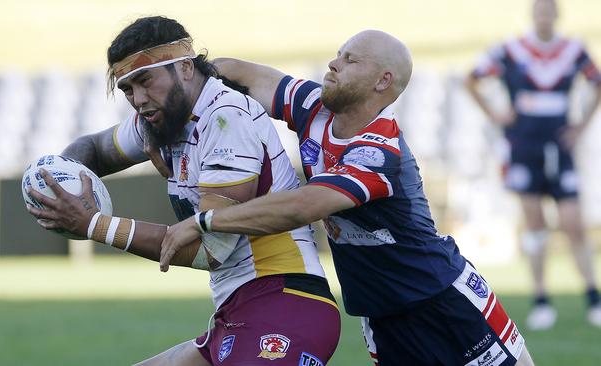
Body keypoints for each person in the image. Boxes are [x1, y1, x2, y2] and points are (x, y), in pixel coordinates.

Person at [156, 30, 535, 365]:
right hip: (380, 318)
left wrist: (205, 220)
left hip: (442, 302)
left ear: (382, 81)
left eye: (350, 60)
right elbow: (241, 73)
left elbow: (304, 206)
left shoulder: (379, 151)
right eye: (338, 55)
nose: (334, 64)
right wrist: (175, 87)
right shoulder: (314, 108)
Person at [26, 16, 340, 366]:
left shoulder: (225, 119)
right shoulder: (163, 117)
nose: (139, 99)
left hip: (285, 303)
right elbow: (95, 148)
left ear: (186, 68)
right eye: (128, 89)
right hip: (239, 311)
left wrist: (94, 225)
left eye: (145, 80)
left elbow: (211, 250)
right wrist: (58, 179)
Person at [465, 0, 601, 330]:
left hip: (559, 146)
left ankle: (593, 298)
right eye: (539, 9)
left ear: (556, 13)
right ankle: (541, 299)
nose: (544, 15)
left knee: (573, 224)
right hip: (523, 148)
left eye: (548, 9)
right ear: (533, 14)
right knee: (535, 223)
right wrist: (496, 114)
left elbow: (596, 82)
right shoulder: (512, 49)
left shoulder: (572, 49)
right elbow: (472, 78)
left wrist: (581, 126)